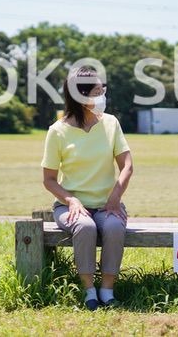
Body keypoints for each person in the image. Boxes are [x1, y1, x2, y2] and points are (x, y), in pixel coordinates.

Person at [41, 66, 134, 310]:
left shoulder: (111, 123)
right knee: (84, 226)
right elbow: (49, 179)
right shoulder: (57, 131)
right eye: (96, 90)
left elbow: (127, 166)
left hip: (107, 205)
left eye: (102, 88)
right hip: (70, 206)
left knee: (114, 227)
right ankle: (89, 291)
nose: (103, 93)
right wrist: (71, 200)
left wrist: (115, 197)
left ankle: (107, 290)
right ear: (80, 96)